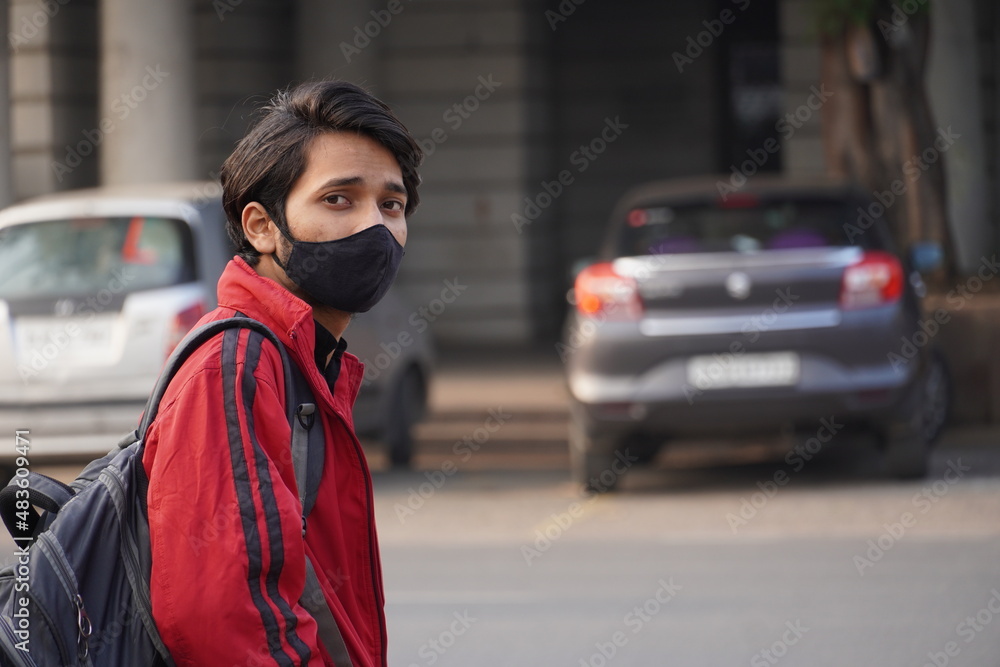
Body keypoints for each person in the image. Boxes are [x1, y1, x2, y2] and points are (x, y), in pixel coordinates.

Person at [141, 80, 422, 666]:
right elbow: (221, 620)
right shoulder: (235, 366)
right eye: (338, 199)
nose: (374, 227)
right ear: (262, 226)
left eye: (390, 205)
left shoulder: (309, 362)